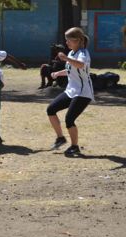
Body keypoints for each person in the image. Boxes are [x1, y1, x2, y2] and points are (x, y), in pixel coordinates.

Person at [47, 27, 94, 155]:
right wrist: (57, 73)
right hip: (71, 90)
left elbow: (80, 65)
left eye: (69, 40)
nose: (67, 43)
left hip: (83, 93)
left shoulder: (83, 53)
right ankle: (60, 138)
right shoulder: (72, 53)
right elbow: (71, 70)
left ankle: (74, 146)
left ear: (78, 40)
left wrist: (66, 59)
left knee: (69, 119)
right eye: (66, 40)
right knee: (51, 109)